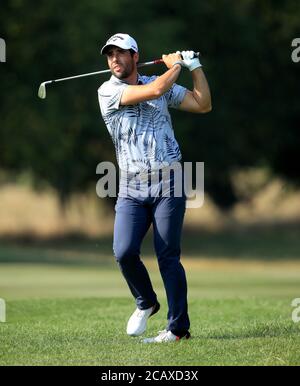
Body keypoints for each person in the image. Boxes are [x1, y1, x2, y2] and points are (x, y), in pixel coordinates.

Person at [98, 33, 211, 343]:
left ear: (136, 56)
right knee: (123, 251)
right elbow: (156, 89)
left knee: (167, 256)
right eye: (110, 55)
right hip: (131, 186)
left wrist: (195, 66)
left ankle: (177, 330)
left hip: (169, 180)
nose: (115, 60)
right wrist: (176, 66)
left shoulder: (158, 82)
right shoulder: (107, 91)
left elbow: (202, 104)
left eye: (121, 54)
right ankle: (146, 301)